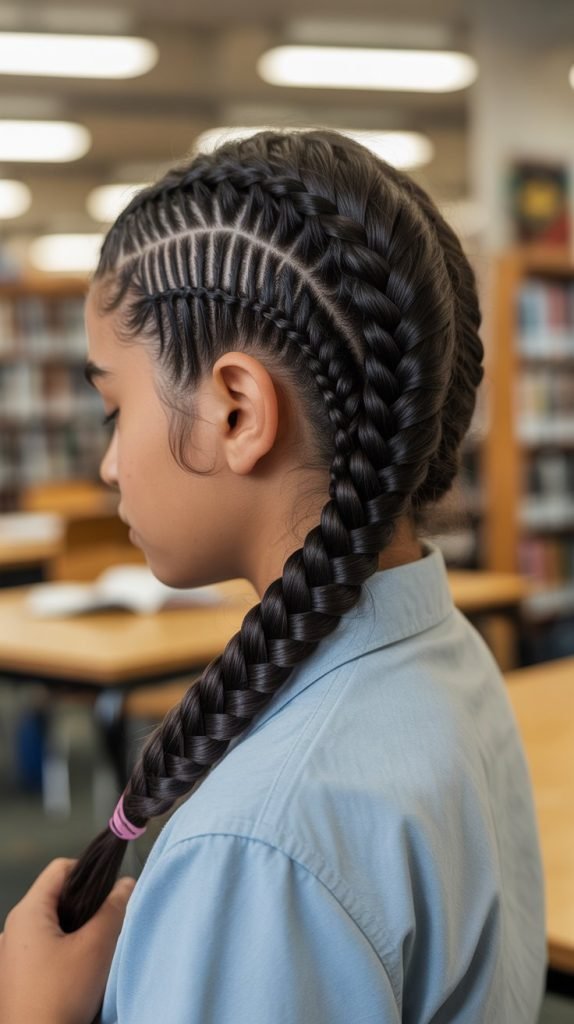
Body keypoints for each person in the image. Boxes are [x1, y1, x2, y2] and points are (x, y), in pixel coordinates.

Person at [0, 128, 546, 1023]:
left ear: (238, 411)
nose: (107, 465)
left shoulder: (255, 848)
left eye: (113, 409)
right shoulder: (449, 656)